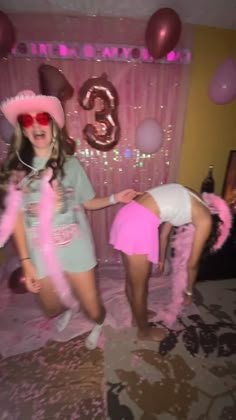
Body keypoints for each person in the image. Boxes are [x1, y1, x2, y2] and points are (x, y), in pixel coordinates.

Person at [0, 90, 138, 349]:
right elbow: (16, 217)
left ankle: (98, 323)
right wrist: (27, 263)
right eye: (27, 121)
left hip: (76, 249)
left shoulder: (72, 165)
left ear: (52, 124)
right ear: (23, 131)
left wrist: (114, 198)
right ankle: (67, 308)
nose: (36, 125)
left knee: (93, 307)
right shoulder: (18, 171)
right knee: (50, 307)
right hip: (40, 254)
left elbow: (87, 202)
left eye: (42, 117)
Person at [110, 183, 232, 341]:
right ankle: (143, 331)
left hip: (127, 213)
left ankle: (137, 315)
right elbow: (192, 264)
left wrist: (160, 258)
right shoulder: (205, 220)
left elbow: (164, 234)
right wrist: (188, 291)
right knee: (140, 286)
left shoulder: (191, 197)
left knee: (132, 278)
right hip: (137, 225)